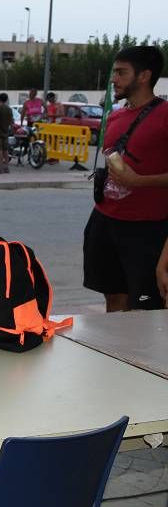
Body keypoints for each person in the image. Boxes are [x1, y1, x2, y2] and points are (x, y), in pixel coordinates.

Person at [83, 45, 168, 312]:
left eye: (121, 72)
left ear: (144, 76)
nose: (113, 79)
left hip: (146, 228)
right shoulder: (116, 115)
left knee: (143, 305)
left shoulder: (165, 115)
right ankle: (112, 351)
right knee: (113, 297)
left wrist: (138, 181)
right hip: (105, 220)